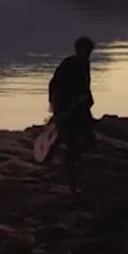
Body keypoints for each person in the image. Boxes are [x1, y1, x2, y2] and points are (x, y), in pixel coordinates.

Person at [47, 36, 96, 190]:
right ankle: (70, 179)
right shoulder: (69, 64)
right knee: (73, 143)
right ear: (79, 50)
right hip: (67, 110)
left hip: (79, 109)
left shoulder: (85, 64)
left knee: (89, 142)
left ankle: (75, 168)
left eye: (89, 51)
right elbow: (54, 86)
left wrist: (88, 100)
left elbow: (85, 87)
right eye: (86, 51)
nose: (88, 54)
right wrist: (57, 108)